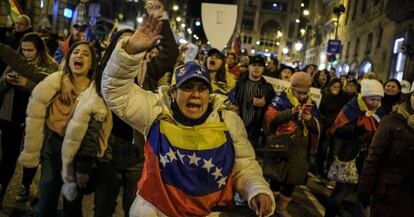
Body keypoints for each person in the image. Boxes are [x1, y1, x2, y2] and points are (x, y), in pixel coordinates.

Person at [101, 14, 275, 217]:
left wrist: (257, 190)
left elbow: (244, 166)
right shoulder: (156, 111)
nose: (195, 94)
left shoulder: (227, 121)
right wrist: (130, 52)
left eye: (202, 89)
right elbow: (115, 92)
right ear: (173, 93)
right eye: (188, 87)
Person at [19, 41, 98, 216]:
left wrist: (83, 166)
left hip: (77, 156)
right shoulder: (56, 81)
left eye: (85, 54)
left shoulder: (95, 92)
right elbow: (25, 68)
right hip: (52, 148)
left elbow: (93, 131)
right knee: (46, 198)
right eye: (75, 52)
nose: (79, 55)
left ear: (92, 63)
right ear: (69, 59)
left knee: (72, 206)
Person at [0, 33, 58, 206]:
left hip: (35, 120)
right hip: (12, 117)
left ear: (39, 49)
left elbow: (52, 95)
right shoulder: (14, 63)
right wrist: (7, 81)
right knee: (8, 156)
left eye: (30, 50)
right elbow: (0, 84)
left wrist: (28, 84)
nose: (26, 54)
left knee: (31, 155)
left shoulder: (50, 66)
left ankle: (25, 185)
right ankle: (2, 189)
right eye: (23, 49)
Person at [324, 79, 385, 217]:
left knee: (363, 198)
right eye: (372, 99)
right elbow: (337, 129)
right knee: (339, 193)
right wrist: (359, 129)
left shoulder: (381, 112)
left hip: (369, 159)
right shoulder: (352, 107)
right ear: (364, 97)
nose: (375, 103)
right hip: (349, 156)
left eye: (378, 99)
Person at [264, 72, 320, 217]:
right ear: (292, 88)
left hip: (300, 151)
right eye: (299, 93)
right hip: (282, 146)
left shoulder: (311, 104)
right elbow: (271, 119)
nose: (302, 96)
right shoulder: (280, 99)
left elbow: (319, 127)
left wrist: (310, 120)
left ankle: (282, 208)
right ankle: (270, 206)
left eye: (305, 93)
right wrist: (291, 112)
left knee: (292, 181)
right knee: (277, 178)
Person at [358, 93, 414, 217]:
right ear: (410, 97)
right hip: (389, 195)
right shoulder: (391, 121)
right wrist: (365, 188)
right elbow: (374, 157)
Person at [235, 55, 275, 148]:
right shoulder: (239, 84)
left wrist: (265, 103)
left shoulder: (268, 88)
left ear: (263, 69)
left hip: (256, 132)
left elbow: (273, 109)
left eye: (260, 65)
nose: (256, 68)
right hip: (238, 127)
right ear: (248, 67)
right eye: (254, 65)